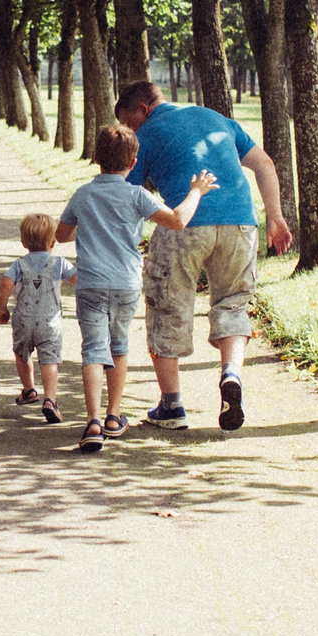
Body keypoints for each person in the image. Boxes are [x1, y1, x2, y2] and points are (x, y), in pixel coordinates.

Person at [113, 79, 294, 432]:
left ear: (143, 110)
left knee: (167, 306)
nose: (128, 131)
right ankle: (232, 374)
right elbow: (264, 164)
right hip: (241, 223)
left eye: (127, 122)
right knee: (233, 304)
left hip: (184, 224)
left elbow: (124, 194)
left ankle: (171, 406)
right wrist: (275, 216)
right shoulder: (217, 119)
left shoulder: (145, 135)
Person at [57, 122, 218, 453]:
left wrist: (84, 225)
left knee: (93, 349)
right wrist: (196, 192)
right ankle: (113, 416)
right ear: (133, 162)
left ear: (96, 157)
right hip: (126, 284)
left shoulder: (83, 194)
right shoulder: (137, 195)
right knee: (118, 345)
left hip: (90, 284)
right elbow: (177, 220)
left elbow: (61, 235)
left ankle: (92, 422)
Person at [0, 212, 70, 424]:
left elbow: (5, 284)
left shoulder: (18, 265)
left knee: (22, 353)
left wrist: (2, 309)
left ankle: (29, 389)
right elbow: (78, 278)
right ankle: (50, 400)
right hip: (50, 323)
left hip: (24, 321)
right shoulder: (59, 263)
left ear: (23, 243)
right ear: (53, 242)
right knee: (49, 360)